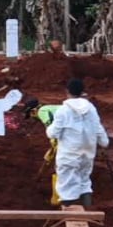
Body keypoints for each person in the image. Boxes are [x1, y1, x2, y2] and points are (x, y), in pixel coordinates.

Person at [46, 79, 109, 208]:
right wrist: (104, 142)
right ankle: (87, 210)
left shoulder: (63, 111)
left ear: (67, 91)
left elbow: (53, 133)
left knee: (67, 185)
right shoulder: (91, 109)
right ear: (82, 92)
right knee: (84, 182)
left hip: (69, 155)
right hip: (88, 153)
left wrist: (49, 129)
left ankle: (68, 212)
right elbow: (98, 128)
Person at [22, 96, 63, 206]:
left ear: (33, 111)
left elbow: (52, 130)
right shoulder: (50, 108)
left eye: (30, 115)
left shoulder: (42, 111)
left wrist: (54, 145)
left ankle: (57, 200)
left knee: (60, 167)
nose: (32, 118)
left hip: (69, 138)